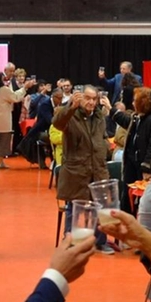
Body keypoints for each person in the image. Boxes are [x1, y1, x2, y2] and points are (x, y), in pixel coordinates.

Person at [52, 86, 111, 230]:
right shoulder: (70, 115)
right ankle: (71, 239)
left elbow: (103, 137)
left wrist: (105, 147)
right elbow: (57, 123)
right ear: (80, 97)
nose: (91, 102)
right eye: (87, 98)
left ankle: (99, 241)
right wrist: (70, 107)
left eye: (94, 99)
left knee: (99, 209)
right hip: (76, 172)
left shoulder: (99, 117)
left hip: (97, 170)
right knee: (74, 209)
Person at [115, 87, 151, 186]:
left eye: (135, 101)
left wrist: (147, 168)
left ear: (143, 102)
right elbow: (125, 121)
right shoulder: (139, 118)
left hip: (143, 171)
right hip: (133, 167)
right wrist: (110, 109)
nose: (133, 103)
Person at [0, 72, 30, 169]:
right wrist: (24, 88)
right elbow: (15, 97)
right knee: (4, 141)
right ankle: (1, 161)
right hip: (4, 119)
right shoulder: (4, 90)